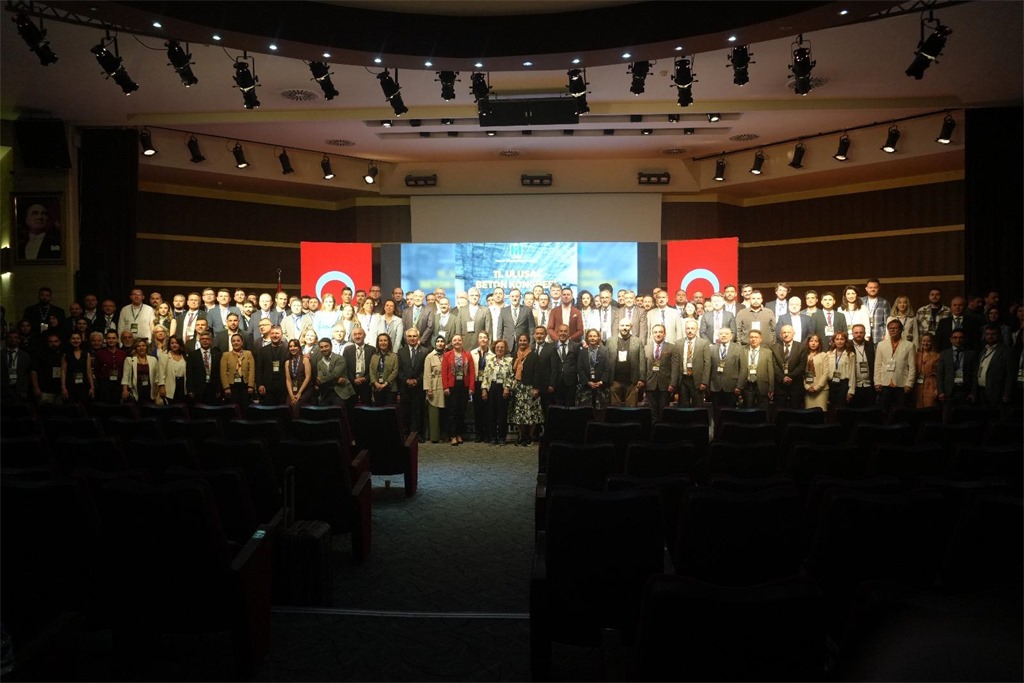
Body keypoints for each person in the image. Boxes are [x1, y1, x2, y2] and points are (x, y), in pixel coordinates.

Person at [873, 319, 916, 414]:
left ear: (901, 330)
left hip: (901, 383)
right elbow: (877, 365)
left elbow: (912, 367)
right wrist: (877, 381)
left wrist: (909, 383)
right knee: (883, 411)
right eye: (890, 328)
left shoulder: (909, 345)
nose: (892, 330)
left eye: (895, 328)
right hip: (885, 383)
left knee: (901, 412)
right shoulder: (881, 345)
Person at [510, 333, 544, 446]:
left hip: (530, 388)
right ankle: (522, 435)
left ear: (528, 342)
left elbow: (538, 373)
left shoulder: (534, 356)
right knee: (518, 414)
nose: (522, 342)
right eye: (520, 340)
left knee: (531, 414)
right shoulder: (514, 355)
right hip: (518, 388)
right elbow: (511, 372)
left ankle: (529, 436)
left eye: (525, 340)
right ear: (518, 342)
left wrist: (536, 388)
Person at [442, 334, 475, 445]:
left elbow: (471, 372)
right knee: (453, 412)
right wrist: (445, 387)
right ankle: (453, 435)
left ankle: (459, 434)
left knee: (462, 411)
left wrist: (471, 387)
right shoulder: (447, 355)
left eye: (459, 340)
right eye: (455, 340)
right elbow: (444, 372)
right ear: (452, 342)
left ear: (462, 342)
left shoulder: (468, 355)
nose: (457, 342)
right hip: (452, 386)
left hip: (464, 386)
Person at [481, 338, 514, 445]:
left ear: (505, 349)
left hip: (503, 388)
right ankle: (493, 437)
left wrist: (507, 387)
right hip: (492, 388)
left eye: (502, 347)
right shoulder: (489, 359)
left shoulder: (509, 360)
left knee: (502, 414)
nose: (499, 349)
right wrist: (484, 389)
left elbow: (511, 376)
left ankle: (502, 437)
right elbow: (485, 375)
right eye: (498, 347)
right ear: (494, 348)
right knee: (491, 414)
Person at [397, 328, 429, 439]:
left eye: (414, 336)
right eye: (409, 336)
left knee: (418, 411)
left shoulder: (425, 351)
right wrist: (406, 380)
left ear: (418, 337)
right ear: (406, 338)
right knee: (405, 411)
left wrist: (417, 380)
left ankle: (417, 435)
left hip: (419, 387)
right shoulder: (401, 352)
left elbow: (426, 370)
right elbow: (399, 370)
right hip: (405, 387)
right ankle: (406, 434)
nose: (412, 338)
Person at [936, 329, 975, 420]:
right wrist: (941, 391)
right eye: (955, 338)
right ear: (951, 339)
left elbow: (974, 375)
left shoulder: (971, 354)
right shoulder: (944, 354)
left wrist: (973, 392)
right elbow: (940, 374)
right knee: (947, 419)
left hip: (965, 392)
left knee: (964, 420)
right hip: (948, 392)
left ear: (964, 339)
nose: (958, 340)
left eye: (961, 338)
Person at [644, 323, 678, 419]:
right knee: (652, 413)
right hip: (650, 384)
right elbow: (643, 366)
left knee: (664, 413)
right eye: (655, 332)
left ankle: (662, 428)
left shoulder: (672, 348)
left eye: (660, 332)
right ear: (652, 334)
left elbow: (675, 367)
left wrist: (673, 384)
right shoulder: (646, 348)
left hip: (665, 384)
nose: (658, 334)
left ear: (664, 334)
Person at [709, 327, 744, 416]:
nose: (723, 335)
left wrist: (739, 386)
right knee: (716, 413)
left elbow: (743, 369)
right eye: (721, 334)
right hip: (715, 386)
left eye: (726, 334)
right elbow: (708, 368)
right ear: (718, 336)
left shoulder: (739, 349)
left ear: (731, 336)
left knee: (730, 414)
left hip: (732, 386)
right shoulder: (712, 349)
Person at [772, 324, 807, 410]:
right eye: (784, 332)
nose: (786, 334)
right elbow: (774, 365)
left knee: (795, 411)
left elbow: (802, 365)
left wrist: (790, 376)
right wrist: (782, 378)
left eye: (789, 332)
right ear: (780, 335)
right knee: (780, 411)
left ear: (793, 334)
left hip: (795, 384)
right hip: (780, 385)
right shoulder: (774, 348)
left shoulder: (801, 347)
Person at [576, 328, 612, 410]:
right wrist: (587, 382)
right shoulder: (582, 352)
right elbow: (580, 369)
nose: (592, 338)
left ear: (598, 338)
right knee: (586, 411)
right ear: (587, 338)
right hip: (586, 386)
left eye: (595, 336)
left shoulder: (604, 350)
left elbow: (607, 368)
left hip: (601, 386)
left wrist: (601, 381)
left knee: (600, 411)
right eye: (590, 336)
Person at [739, 329, 774, 409]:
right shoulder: (743, 351)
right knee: (748, 410)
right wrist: (739, 386)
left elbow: (771, 371)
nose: (753, 339)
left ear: (760, 339)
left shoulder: (767, 352)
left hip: (762, 385)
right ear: (749, 338)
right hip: (747, 385)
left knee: (763, 411)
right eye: (751, 337)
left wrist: (771, 388)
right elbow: (740, 369)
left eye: (756, 337)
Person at [255, 325, 289, 405]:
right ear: (270, 335)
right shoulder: (263, 350)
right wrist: (260, 384)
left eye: (277, 333)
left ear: (281, 334)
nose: (275, 335)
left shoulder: (287, 349)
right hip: (267, 386)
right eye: (272, 333)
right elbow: (259, 369)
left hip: (283, 386)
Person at [185, 330, 222, 404]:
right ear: (199, 341)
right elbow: (189, 373)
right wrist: (190, 390)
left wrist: (219, 389)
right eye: (202, 339)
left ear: (211, 341)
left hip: (213, 389)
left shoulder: (218, 355)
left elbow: (219, 373)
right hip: (198, 389)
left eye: (207, 339)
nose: (205, 341)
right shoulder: (193, 355)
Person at [122, 338, 163, 405]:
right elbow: (125, 377)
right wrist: (125, 390)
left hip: (149, 390)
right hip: (136, 390)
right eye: (139, 346)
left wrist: (158, 391)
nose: (141, 348)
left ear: (146, 347)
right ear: (135, 348)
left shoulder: (153, 359)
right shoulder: (130, 360)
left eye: (143, 346)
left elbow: (157, 376)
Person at [221, 333, 256, 409]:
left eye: (238, 340)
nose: (236, 343)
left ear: (242, 342)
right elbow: (223, 372)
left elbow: (252, 370)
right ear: (231, 343)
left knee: (245, 408)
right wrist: (226, 387)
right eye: (233, 341)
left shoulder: (248, 354)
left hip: (245, 385)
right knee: (232, 408)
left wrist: (251, 386)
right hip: (232, 386)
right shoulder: (226, 355)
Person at [423, 335, 447, 443]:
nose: (440, 343)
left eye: (442, 341)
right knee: (434, 414)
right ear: (434, 343)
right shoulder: (429, 356)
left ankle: (445, 435)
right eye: (438, 341)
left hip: (445, 386)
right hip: (434, 387)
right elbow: (427, 374)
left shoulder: (447, 355)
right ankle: (435, 437)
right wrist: (428, 389)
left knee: (445, 413)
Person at [826, 331, 856, 412]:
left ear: (845, 341)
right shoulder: (829, 354)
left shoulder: (850, 354)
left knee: (841, 409)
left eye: (842, 339)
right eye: (837, 339)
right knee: (831, 409)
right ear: (834, 341)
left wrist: (851, 390)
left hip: (843, 385)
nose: (839, 341)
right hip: (831, 384)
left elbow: (852, 374)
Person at [30, 331, 64, 405]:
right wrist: (36, 388)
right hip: (44, 391)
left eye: (56, 341)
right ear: (47, 343)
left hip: (60, 391)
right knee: (45, 411)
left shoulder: (63, 354)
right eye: (50, 342)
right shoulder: (40, 355)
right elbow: (34, 371)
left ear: (60, 342)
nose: (53, 344)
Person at [60, 331, 94, 404]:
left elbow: (89, 371)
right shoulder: (66, 355)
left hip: (84, 385)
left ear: (81, 340)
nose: (76, 340)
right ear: (69, 340)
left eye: (78, 338)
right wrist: (63, 387)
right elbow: (63, 372)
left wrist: (92, 387)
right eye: (73, 338)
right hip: (70, 385)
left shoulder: (86, 354)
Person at [848, 324, 876, 407]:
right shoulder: (848, 346)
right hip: (854, 386)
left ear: (865, 333)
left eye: (861, 332)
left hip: (869, 385)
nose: (859, 334)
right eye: (856, 333)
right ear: (852, 334)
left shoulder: (870, 345)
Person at [285, 339, 314, 413]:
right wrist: (291, 395)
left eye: (295, 346)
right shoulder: (287, 362)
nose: (293, 348)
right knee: (288, 405)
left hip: (305, 390)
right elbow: (288, 380)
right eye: (290, 346)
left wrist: (299, 393)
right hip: (293, 390)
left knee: (296, 405)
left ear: (299, 347)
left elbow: (308, 377)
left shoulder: (305, 360)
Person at [369, 332, 398, 406]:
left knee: (389, 410)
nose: (383, 343)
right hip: (377, 388)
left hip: (390, 389)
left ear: (389, 342)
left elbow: (395, 371)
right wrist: (375, 383)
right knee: (378, 410)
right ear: (378, 343)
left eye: (385, 340)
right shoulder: (374, 356)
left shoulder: (394, 356)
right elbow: (371, 371)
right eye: (380, 340)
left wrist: (385, 383)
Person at [803, 333, 829, 411]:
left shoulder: (824, 355)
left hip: (821, 390)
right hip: (808, 390)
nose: (813, 343)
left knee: (821, 413)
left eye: (816, 341)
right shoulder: (804, 355)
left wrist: (817, 387)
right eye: (811, 341)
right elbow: (801, 373)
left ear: (819, 343)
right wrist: (806, 386)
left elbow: (825, 373)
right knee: (809, 414)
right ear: (808, 342)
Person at [914, 332, 940, 408]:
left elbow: (940, 374)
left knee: (929, 408)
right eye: (924, 341)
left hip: (931, 385)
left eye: (928, 341)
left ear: (932, 343)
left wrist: (937, 389)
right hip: (918, 385)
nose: (925, 343)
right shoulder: (917, 355)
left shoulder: (937, 356)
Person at [862, 278, 892, 343]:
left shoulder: (884, 302)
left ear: (879, 288)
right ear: (866, 289)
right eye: (870, 287)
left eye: (875, 287)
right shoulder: (860, 301)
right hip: (863, 335)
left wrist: (886, 335)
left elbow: (887, 322)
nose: (872, 289)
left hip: (879, 336)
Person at [163, 335, 188, 403]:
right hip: (170, 385)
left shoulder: (184, 356)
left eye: (176, 343)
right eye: (172, 343)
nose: (174, 345)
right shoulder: (165, 356)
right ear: (169, 344)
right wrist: (161, 386)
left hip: (182, 385)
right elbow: (161, 373)